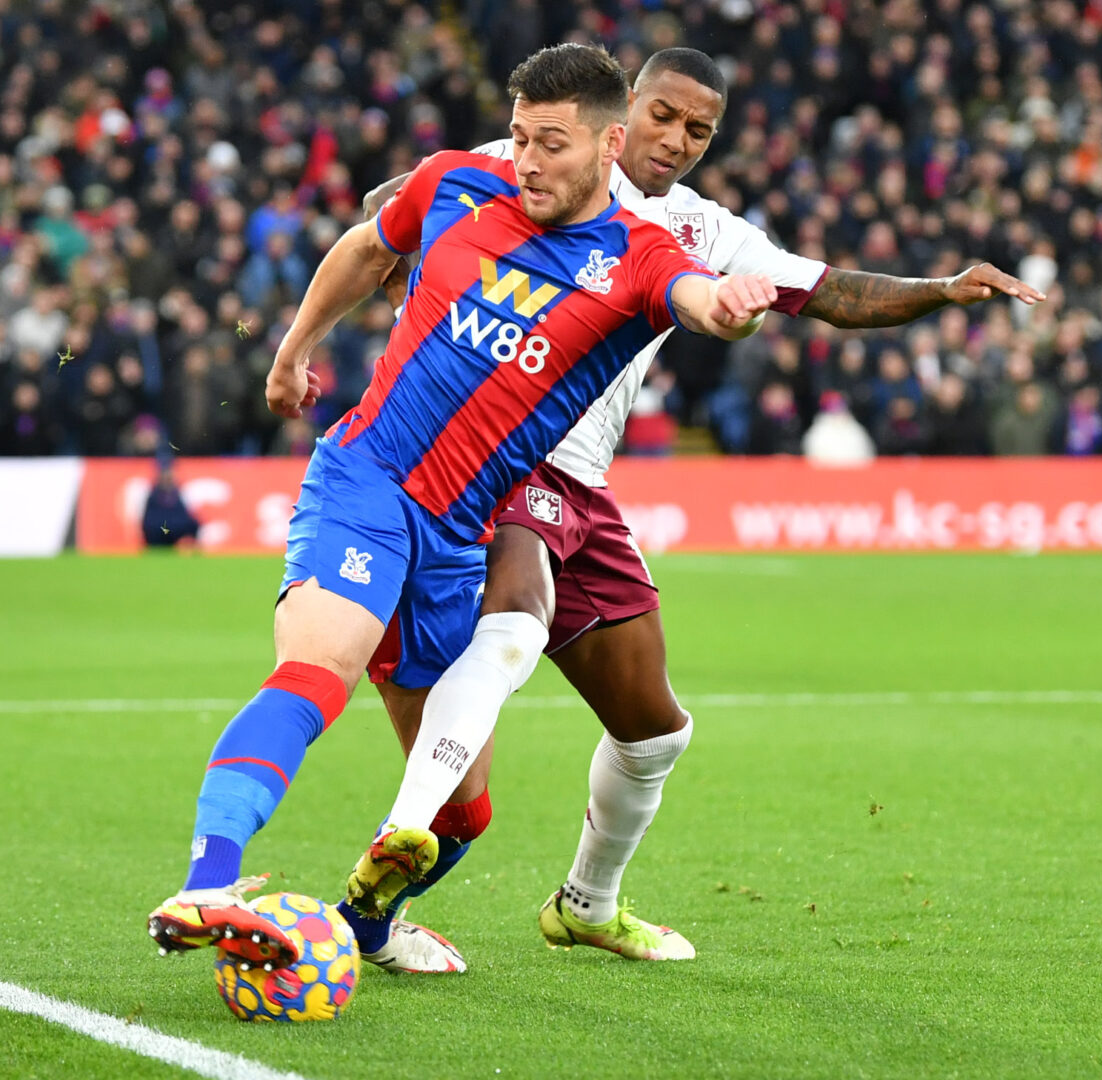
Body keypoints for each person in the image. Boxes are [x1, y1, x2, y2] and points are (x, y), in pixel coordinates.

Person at [340, 48, 1043, 972]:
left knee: (655, 731)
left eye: (699, 131)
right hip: (499, 454)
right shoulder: (527, 163)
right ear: (625, 106)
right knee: (516, 623)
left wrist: (940, 291)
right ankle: (392, 849)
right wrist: (404, 262)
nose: (676, 140)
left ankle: (586, 904)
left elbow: (826, 292)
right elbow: (396, 205)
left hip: (584, 486)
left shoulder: (703, 231)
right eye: (664, 115)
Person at [144, 43, 777, 971]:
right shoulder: (455, 180)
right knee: (316, 672)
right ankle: (206, 885)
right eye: (519, 137)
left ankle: (364, 927)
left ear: (608, 147)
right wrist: (293, 349)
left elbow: (702, 301)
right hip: (366, 480)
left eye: (552, 144)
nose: (526, 161)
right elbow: (368, 246)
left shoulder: (641, 257)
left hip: (456, 537)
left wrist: (737, 306)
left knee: (462, 810)